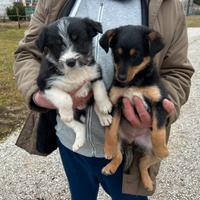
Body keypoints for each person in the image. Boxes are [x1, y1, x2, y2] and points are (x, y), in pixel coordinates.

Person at [13, 0, 194, 200]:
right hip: (70, 142)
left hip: (130, 153)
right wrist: (40, 95)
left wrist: (158, 110)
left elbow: (178, 71)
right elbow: (27, 53)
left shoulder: (168, 5)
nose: (123, 71)